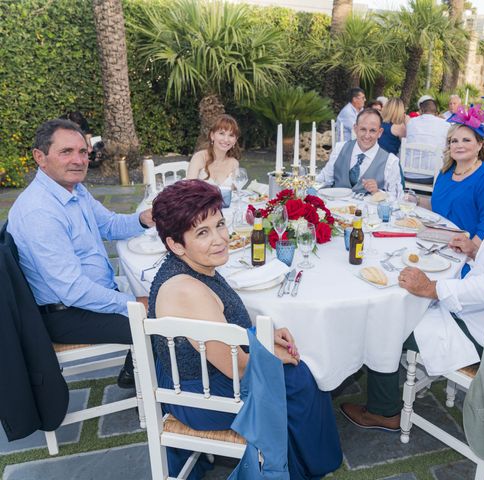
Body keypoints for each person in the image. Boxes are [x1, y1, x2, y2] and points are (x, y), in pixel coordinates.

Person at [340, 141, 484, 431]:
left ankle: (384, 411)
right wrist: (475, 251)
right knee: (400, 301)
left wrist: (431, 288)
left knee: (385, 320)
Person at [149, 179, 342, 478]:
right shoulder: (187, 290)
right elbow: (237, 369)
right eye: (203, 232)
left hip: (198, 368)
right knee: (303, 376)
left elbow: (223, 328)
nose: (220, 239)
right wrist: (270, 355)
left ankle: (304, 458)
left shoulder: (194, 264)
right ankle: (310, 465)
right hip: (202, 394)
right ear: (175, 244)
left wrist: (261, 337)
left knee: (294, 365)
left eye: (220, 224)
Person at [7, 119, 154, 388]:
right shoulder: (40, 212)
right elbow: (72, 290)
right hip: (66, 314)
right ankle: (162, 398)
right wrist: (132, 303)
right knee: (163, 323)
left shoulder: (74, 189)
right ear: (40, 157)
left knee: (161, 288)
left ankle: (136, 370)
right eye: (67, 152)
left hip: (91, 294)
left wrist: (145, 218)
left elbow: (109, 225)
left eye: (83, 152)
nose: (79, 160)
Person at [430, 119, 484, 276]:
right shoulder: (446, 172)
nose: (459, 145)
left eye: (466, 140)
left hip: (463, 257)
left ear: (479, 145)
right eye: (454, 141)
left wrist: (468, 254)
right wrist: (416, 201)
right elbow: (438, 206)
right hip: (436, 244)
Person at [317, 108, 403, 199]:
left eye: (372, 130)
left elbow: (398, 198)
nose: (367, 135)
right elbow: (324, 179)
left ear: (380, 132)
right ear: (355, 129)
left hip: (369, 212)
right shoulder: (340, 149)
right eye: (363, 129)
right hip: (335, 209)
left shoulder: (390, 161)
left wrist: (377, 192)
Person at [186, 114, 240, 188]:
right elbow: (189, 189)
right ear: (212, 135)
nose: (226, 139)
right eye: (222, 133)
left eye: (231, 135)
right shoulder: (199, 157)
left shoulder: (234, 163)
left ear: (235, 140)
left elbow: (233, 193)